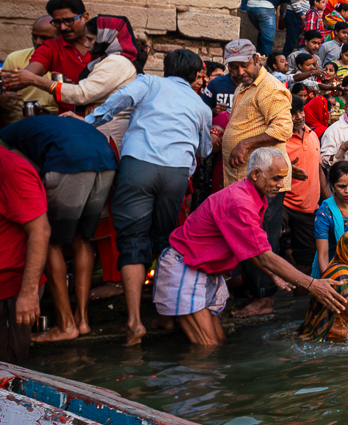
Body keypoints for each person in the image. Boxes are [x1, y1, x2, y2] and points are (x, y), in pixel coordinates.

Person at [84, 48, 212, 345]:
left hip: (139, 164)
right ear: (195, 76)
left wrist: (90, 121)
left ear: (166, 69)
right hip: (177, 173)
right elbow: (205, 150)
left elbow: (119, 101)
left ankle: (134, 323)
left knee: (132, 240)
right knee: (165, 240)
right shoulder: (201, 106)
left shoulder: (149, 83)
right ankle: (165, 315)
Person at [154, 148, 343, 346]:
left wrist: (272, 274)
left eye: (283, 178)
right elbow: (264, 256)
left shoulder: (251, 195)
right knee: (208, 347)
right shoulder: (241, 202)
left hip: (205, 270)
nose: (280, 185)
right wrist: (313, 284)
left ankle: (164, 321)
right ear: (255, 174)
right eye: (276, 178)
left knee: (218, 342)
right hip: (185, 265)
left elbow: (250, 248)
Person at [0, 116, 115, 342]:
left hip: (69, 162)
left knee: (50, 243)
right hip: (106, 160)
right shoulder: (44, 125)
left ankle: (66, 324)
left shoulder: (4, 140)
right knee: (82, 239)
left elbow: (23, 172)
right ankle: (82, 321)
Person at [220, 40, 294, 318]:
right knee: (248, 235)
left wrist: (244, 144)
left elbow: (282, 128)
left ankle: (265, 298)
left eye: (243, 65)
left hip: (265, 184)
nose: (239, 72)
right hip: (246, 181)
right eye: (233, 67)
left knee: (259, 239)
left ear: (256, 60)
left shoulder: (270, 87)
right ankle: (255, 291)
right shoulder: (244, 87)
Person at [5, 15, 141, 149]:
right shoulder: (107, 61)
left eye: (90, 39)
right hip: (97, 132)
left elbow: (82, 94)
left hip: (107, 136)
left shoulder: (116, 62)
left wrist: (34, 79)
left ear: (106, 37)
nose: (87, 44)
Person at [0, 144, 49, 363]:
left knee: (9, 370)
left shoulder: (10, 168)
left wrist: (28, 293)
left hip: (13, 286)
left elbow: (40, 231)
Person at [283, 95, 323, 272]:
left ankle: (298, 292)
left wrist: (328, 200)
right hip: (284, 202)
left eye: (300, 112)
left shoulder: (312, 135)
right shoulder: (280, 140)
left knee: (306, 259)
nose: (298, 116)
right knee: (271, 239)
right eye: (293, 113)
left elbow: (318, 168)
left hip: (308, 206)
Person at [0, 17, 58, 122]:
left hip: (57, 123)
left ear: (61, 38)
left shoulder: (71, 61)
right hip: (18, 125)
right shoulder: (14, 58)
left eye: (45, 38)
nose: (38, 42)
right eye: (34, 37)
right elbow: (3, 90)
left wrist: (47, 115)